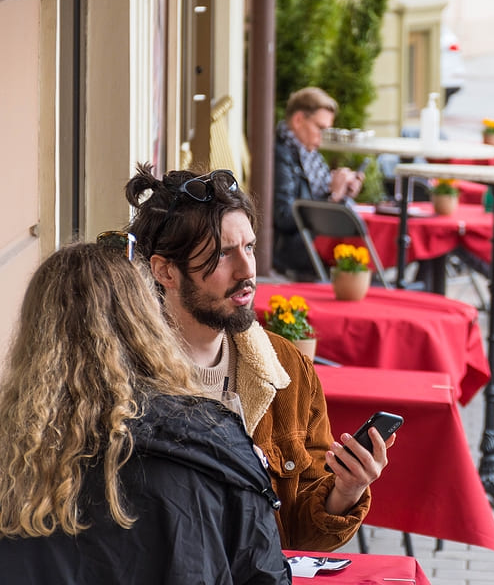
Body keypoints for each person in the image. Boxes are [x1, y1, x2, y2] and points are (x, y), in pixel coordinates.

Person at [124, 164, 392, 551]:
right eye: (222, 255)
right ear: (166, 270)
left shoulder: (287, 370)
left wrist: (346, 490)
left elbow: (300, 539)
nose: (248, 269)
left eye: (248, 247)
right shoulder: (122, 374)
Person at [0, 242, 290, 584]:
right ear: (145, 323)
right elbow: (265, 575)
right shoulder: (213, 441)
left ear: (35, 335)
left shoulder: (14, 454)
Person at [273, 87, 365, 277]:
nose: (322, 138)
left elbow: (318, 194)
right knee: (368, 243)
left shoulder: (307, 152)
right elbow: (284, 216)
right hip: (295, 247)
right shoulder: (280, 154)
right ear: (298, 120)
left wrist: (344, 188)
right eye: (320, 128)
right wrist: (333, 196)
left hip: (313, 239)